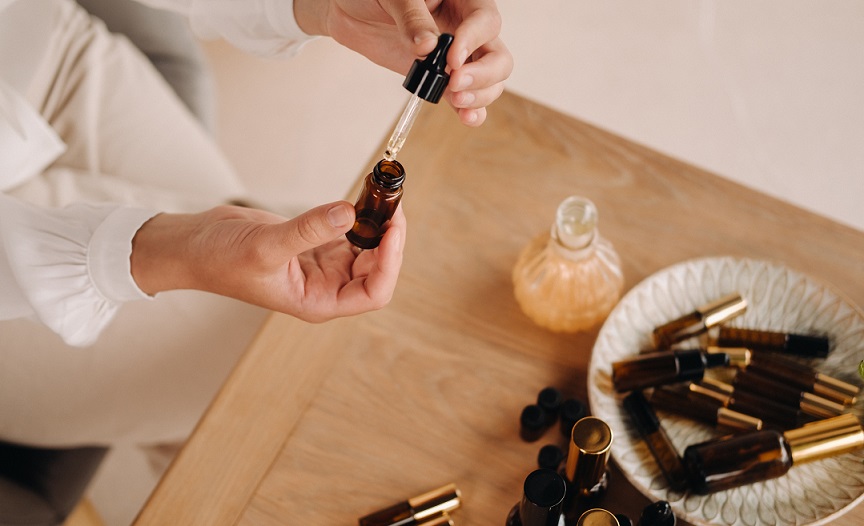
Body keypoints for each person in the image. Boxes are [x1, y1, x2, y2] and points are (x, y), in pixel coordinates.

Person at [0, 0, 512, 521]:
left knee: (243, 364)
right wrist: (169, 252)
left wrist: (324, 8)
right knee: (283, 338)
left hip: (39, 55)